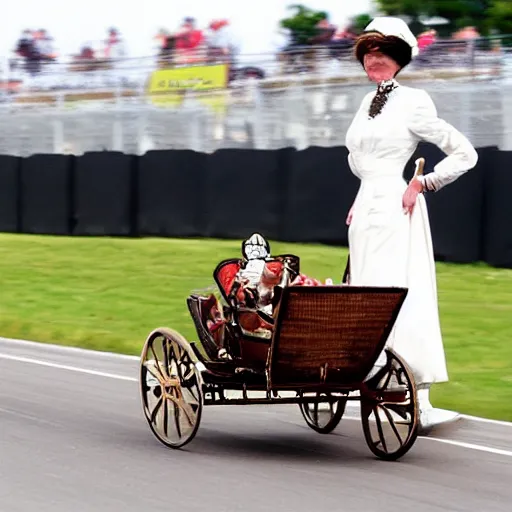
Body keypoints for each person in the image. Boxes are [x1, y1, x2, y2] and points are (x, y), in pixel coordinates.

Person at [344, 17, 478, 432]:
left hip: (396, 209)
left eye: (382, 52)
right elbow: (360, 160)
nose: (374, 59)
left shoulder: (414, 101)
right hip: (366, 210)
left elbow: (464, 153)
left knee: (400, 293)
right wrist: (357, 199)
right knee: (365, 293)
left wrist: (424, 181)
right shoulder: (365, 104)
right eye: (368, 52)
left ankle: (417, 393)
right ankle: (373, 378)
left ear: (399, 59)